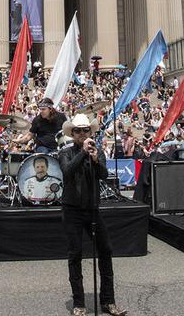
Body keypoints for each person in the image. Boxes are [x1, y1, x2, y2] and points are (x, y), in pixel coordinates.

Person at [58, 114, 127, 316]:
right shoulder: (66, 152)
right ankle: (79, 303)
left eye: (86, 130)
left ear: (91, 132)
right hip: (72, 209)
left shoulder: (97, 152)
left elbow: (104, 175)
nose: (82, 134)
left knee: (106, 250)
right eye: (78, 131)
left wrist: (96, 160)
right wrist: (83, 153)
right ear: (72, 133)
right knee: (75, 254)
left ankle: (108, 300)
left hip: (92, 209)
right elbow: (67, 171)